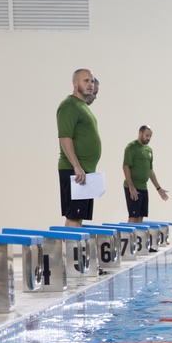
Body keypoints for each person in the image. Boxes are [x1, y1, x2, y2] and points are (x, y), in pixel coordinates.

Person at [56, 68, 100, 227]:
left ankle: (73, 245)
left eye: (92, 81)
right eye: (86, 81)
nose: (90, 84)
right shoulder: (69, 105)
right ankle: (69, 245)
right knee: (73, 217)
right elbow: (65, 138)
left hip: (84, 171)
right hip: (74, 171)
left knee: (79, 217)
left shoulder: (82, 106)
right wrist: (76, 166)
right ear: (75, 83)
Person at [122, 125, 168, 224]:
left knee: (140, 217)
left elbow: (150, 170)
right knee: (133, 216)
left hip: (143, 187)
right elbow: (126, 166)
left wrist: (158, 188)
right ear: (140, 133)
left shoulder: (149, 150)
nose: (148, 138)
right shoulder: (132, 147)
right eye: (147, 135)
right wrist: (131, 187)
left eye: (150, 136)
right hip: (134, 187)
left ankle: (138, 235)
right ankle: (127, 234)